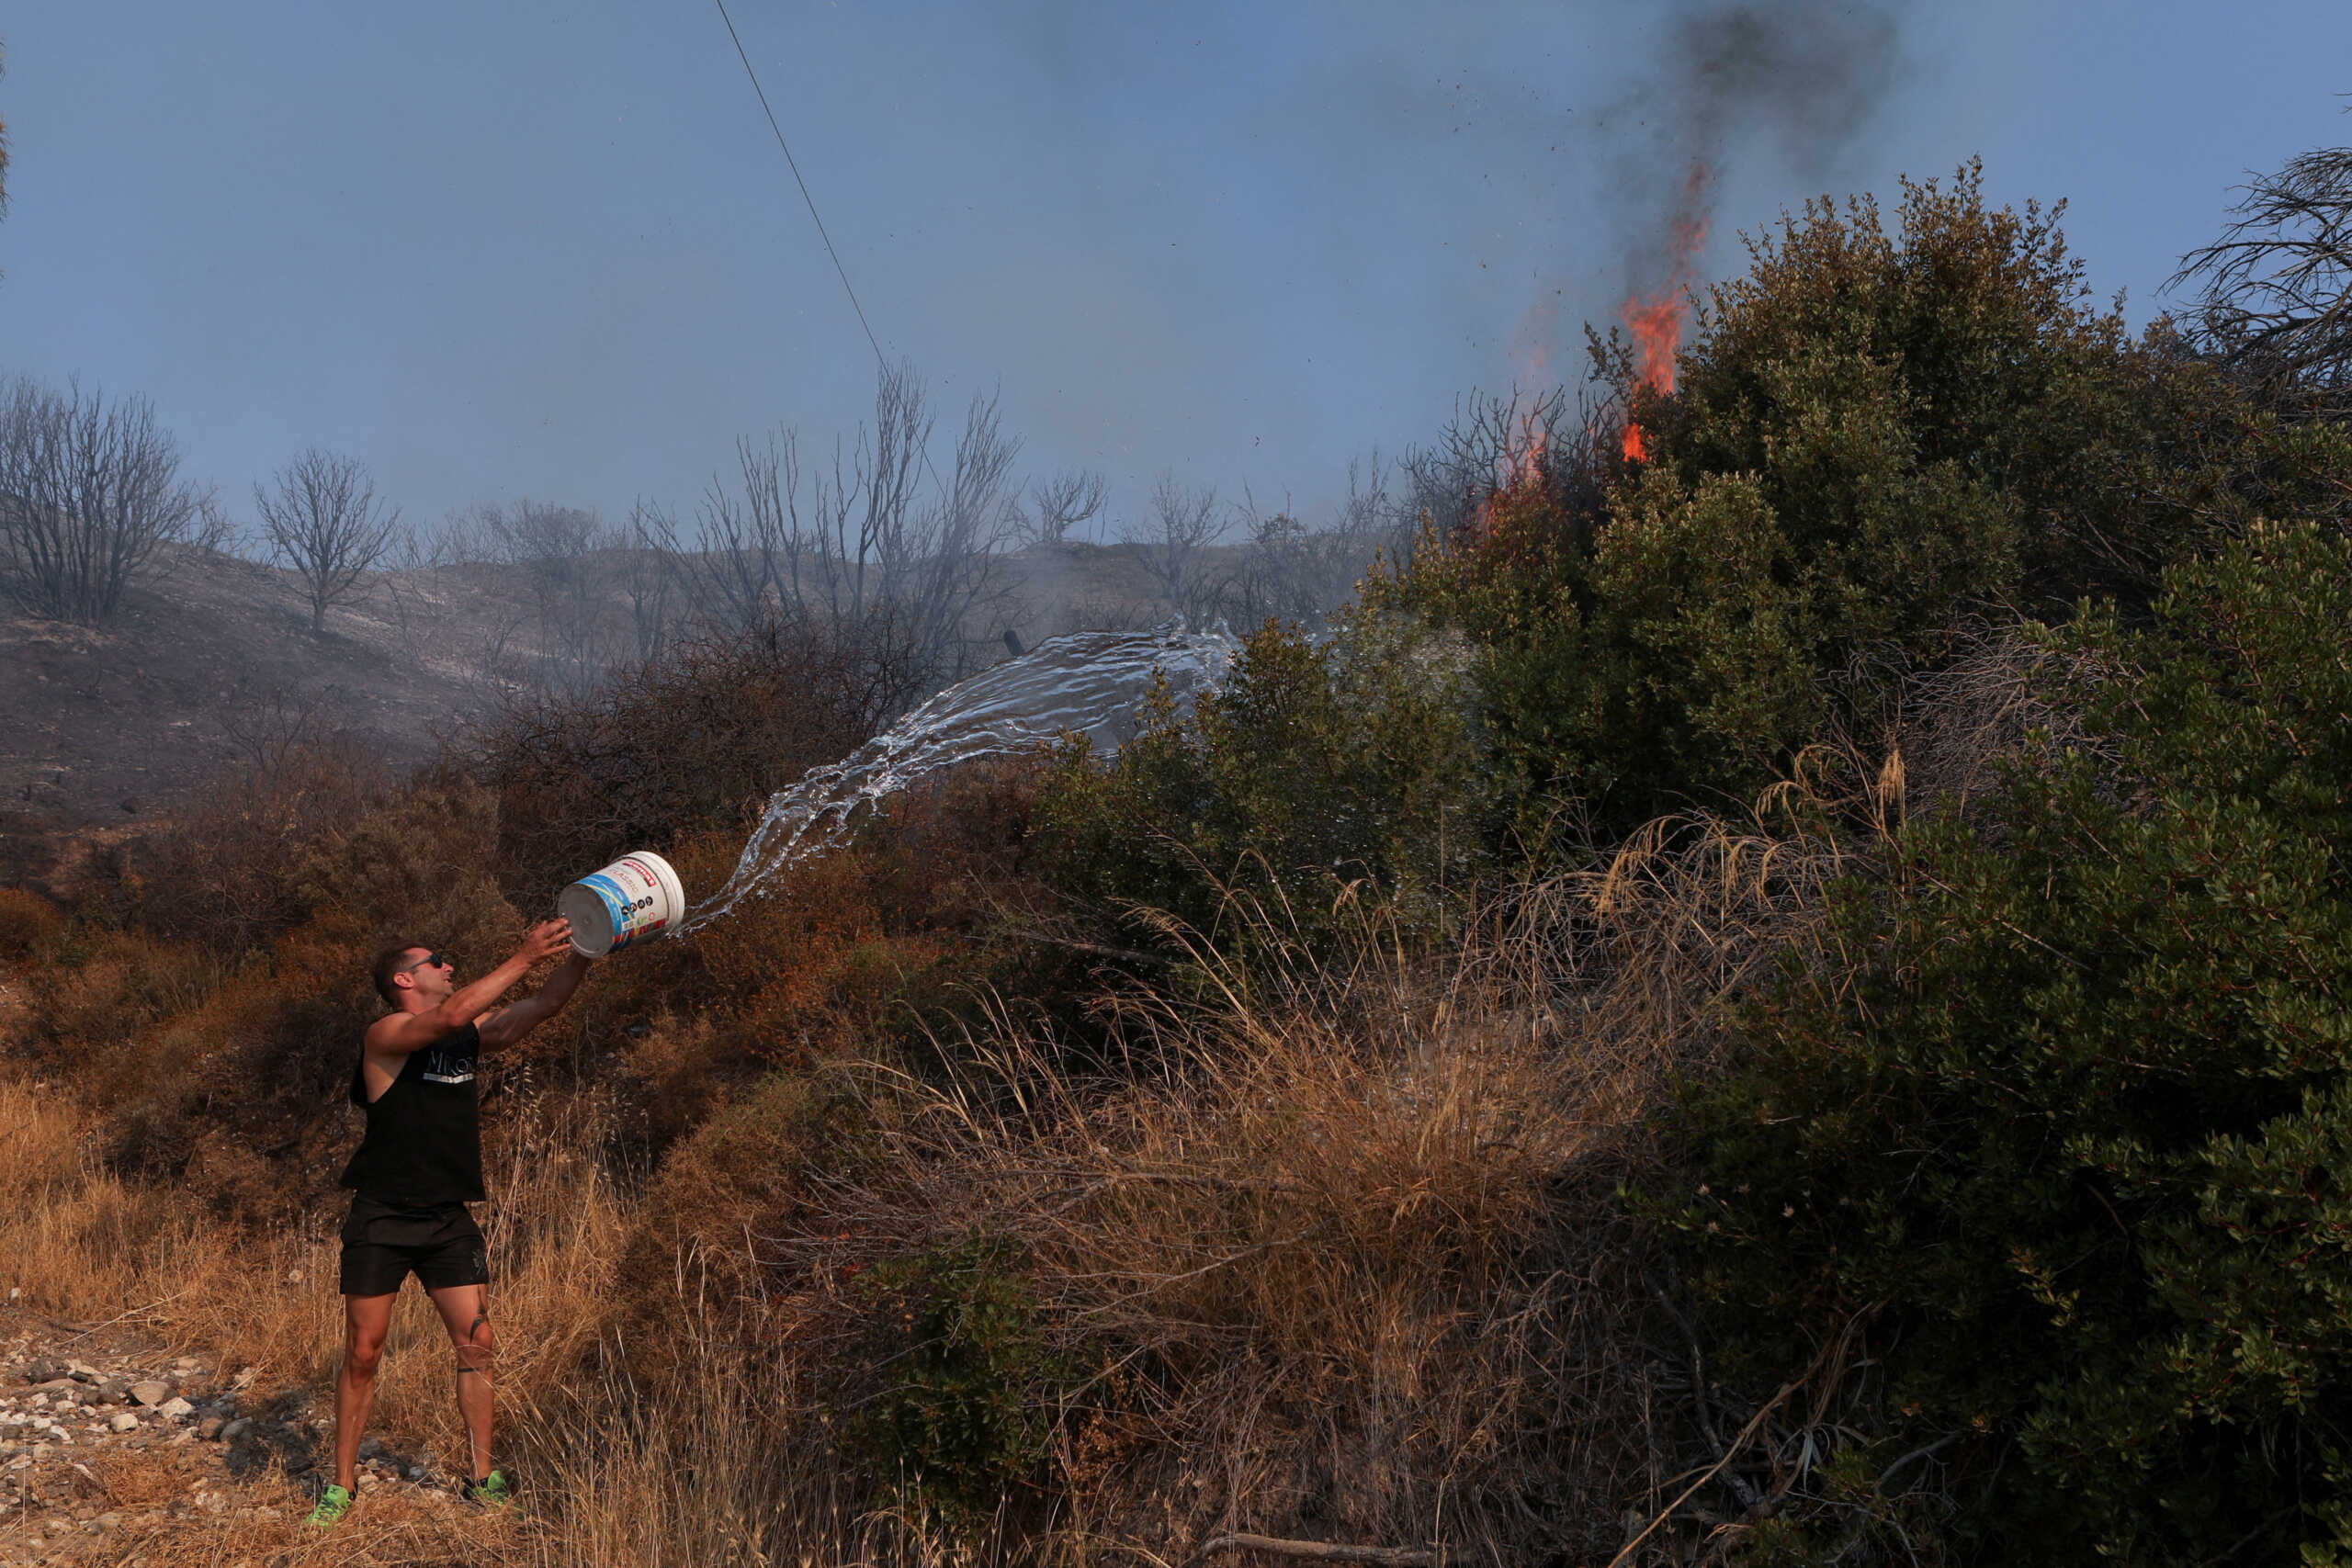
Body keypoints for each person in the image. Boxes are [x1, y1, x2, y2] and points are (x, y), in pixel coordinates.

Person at [305, 920, 592, 1530]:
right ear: (405, 979)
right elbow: (448, 1016)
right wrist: (522, 955)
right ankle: (342, 1486)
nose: (450, 968)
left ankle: (482, 1478)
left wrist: (584, 955)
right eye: (439, 961)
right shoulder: (385, 1033)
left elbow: (541, 1006)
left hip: (447, 1219)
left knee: (477, 1344)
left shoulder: (465, 1035)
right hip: (382, 1214)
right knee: (363, 1351)